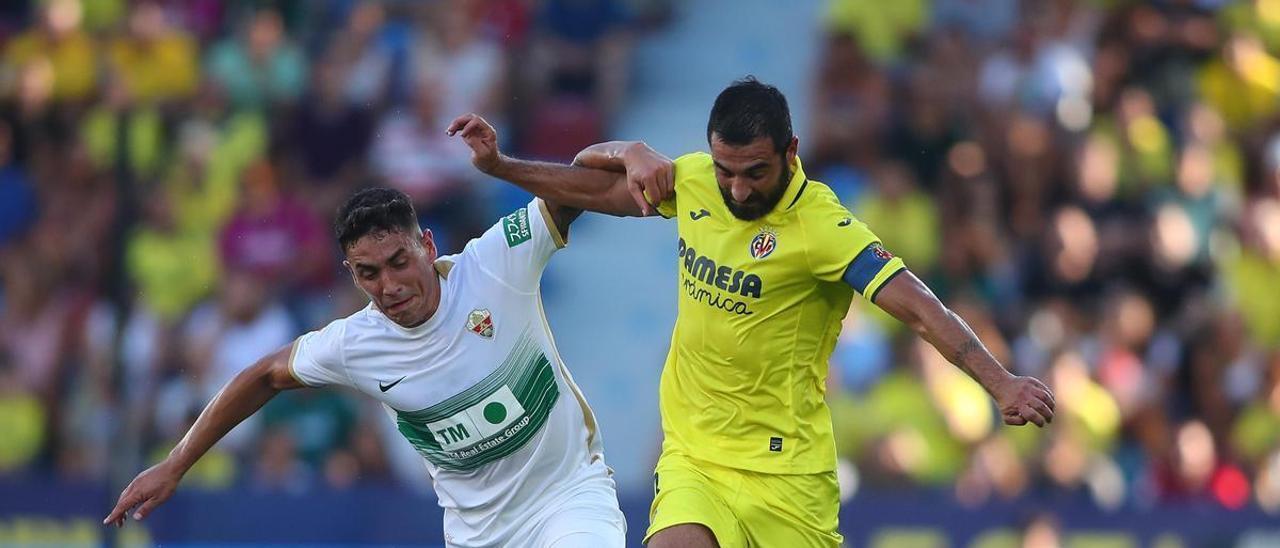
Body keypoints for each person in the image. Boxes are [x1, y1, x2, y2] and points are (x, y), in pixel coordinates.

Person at [448, 76, 1056, 547]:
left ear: (791, 152)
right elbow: (595, 185)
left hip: (786, 476)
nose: (737, 190)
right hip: (695, 456)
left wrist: (999, 382)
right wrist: (512, 165)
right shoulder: (695, 182)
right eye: (726, 171)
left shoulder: (825, 228)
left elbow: (920, 309)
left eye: (754, 173)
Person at [104, 188, 627, 547]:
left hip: (569, 498)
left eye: (399, 261)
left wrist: (621, 154)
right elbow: (265, 375)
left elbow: (567, 192)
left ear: (427, 245)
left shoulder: (494, 265)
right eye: (368, 273)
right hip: (480, 535)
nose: (389, 286)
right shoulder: (355, 342)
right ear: (352, 274)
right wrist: (175, 464)